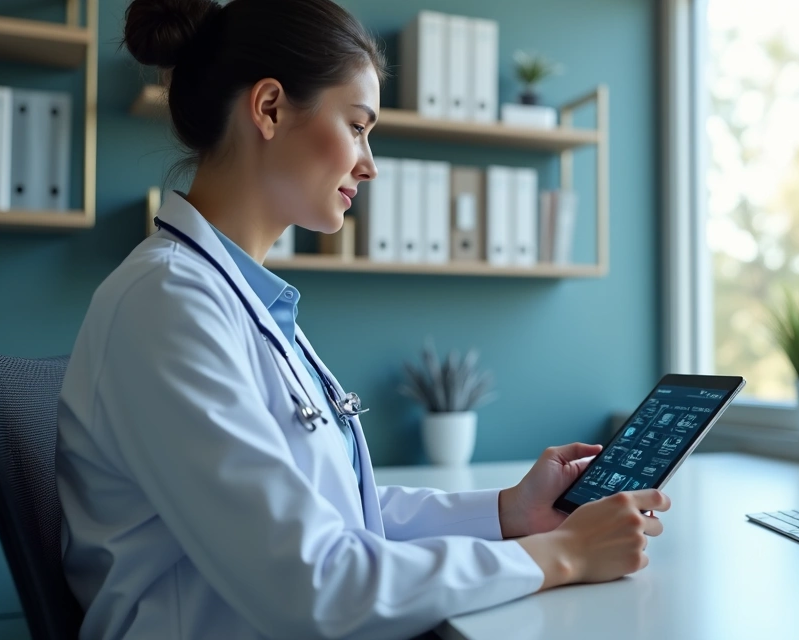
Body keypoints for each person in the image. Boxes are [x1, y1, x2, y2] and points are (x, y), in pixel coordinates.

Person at [55, 0, 671, 638]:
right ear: (268, 108)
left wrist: (509, 511)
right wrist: (561, 554)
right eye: (357, 126)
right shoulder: (168, 303)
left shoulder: (236, 299)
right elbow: (314, 584)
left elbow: (340, 513)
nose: (369, 163)